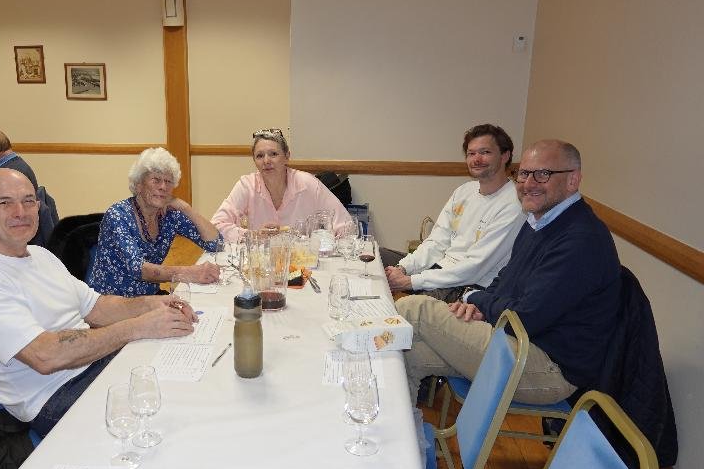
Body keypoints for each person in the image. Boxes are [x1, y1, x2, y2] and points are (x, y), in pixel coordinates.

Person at [0, 169, 198, 437]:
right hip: (55, 397)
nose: (20, 212)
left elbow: (97, 308)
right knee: (170, 418)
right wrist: (138, 327)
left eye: (28, 201)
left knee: (185, 381)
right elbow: (46, 356)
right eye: (5, 203)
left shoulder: (40, 256)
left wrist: (152, 304)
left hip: (94, 365)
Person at [395, 140, 621, 406]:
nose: (528, 183)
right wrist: (478, 303)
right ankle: (398, 433)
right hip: (514, 338)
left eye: (543, 174)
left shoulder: (580, 239)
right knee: (406, 355)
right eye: (524, 173)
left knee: (415, 309)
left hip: (547, 367)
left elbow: (526, 317)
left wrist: (474, 298)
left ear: (573, 179)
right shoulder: (539, 220)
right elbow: (506, 275)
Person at [386, 124, 525, 303]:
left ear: (505, 156)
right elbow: (437, 241)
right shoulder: (464, 191)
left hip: (466, 284)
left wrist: (410, 281)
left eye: (485, 152)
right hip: (439, 269)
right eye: (471, 153)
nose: (477, 159)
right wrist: (403, 268)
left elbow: (474, 268)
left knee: (404, 306)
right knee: (378, 259)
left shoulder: (514, 204)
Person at [85, 147, 221, 297]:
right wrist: (189, 273)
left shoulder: (170, 216)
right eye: (156, 180)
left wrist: (185, 207)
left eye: (168, 181)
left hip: (149, 298)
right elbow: (138, 269)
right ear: (139, 185)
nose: (163, 187)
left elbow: (216, 243)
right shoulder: (118, 215)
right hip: (111, 301)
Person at [211, 128, 355, 242]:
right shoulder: (247, 185)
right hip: (262, 263)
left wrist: (319, 243)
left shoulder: (308, 184)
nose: (266, 161)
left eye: (273, 154)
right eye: (260, 156)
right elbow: (217, 225)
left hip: (302, 263)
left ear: (287, 156)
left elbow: (347, 227)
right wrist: (253, 235)